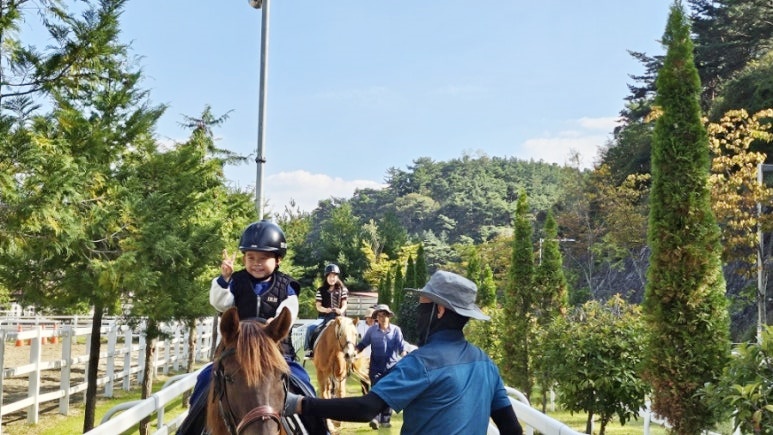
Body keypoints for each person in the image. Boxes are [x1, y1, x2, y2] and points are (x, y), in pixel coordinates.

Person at [284, 270, 523, 435]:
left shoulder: (421, 363)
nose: (418, 312)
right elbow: (512, 428)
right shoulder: (485, 363)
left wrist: (300, 404)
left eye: (422, 305)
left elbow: (366, 408)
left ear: (439, 311)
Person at [179, 220, 323, 435]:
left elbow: (289, 308)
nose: (256, 263)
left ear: (278, 260)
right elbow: (220, 303)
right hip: (236, 352)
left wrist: (276, 322)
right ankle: (188, 428)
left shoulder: (286, 285)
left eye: (263, 258)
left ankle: (320, 428)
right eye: (251, 258)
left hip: (276, 353)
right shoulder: (236, 281)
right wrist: (224, 279)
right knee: (203, 382)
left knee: (304, 383)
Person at [356, 304, 407, 429]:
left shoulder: (396, 330)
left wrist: (405, 357)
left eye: (384, 315)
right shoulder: (372, 331)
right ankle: (375, 418)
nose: (382, 318)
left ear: (389, 316)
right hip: (375, 368)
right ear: (376, 318)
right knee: (377, 392)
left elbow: (402, 348)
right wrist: (353, 353)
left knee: (389, 393)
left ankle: (385, 419)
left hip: (392, 368)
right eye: (379, 316)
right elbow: (362, 344)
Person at [304, 263, 348, 357]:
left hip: (339, 317)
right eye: (330, 276)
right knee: (310, 328)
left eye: (334, 276)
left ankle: (354, 351)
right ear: (326, 277)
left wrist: (341, 310)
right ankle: (308, 349)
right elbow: (318, 306)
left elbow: (344, 304)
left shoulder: (343, 290)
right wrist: (325, 310)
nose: (332, 278)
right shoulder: (320, 290)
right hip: (324, 317)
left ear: (337, 277)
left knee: (351, 329)